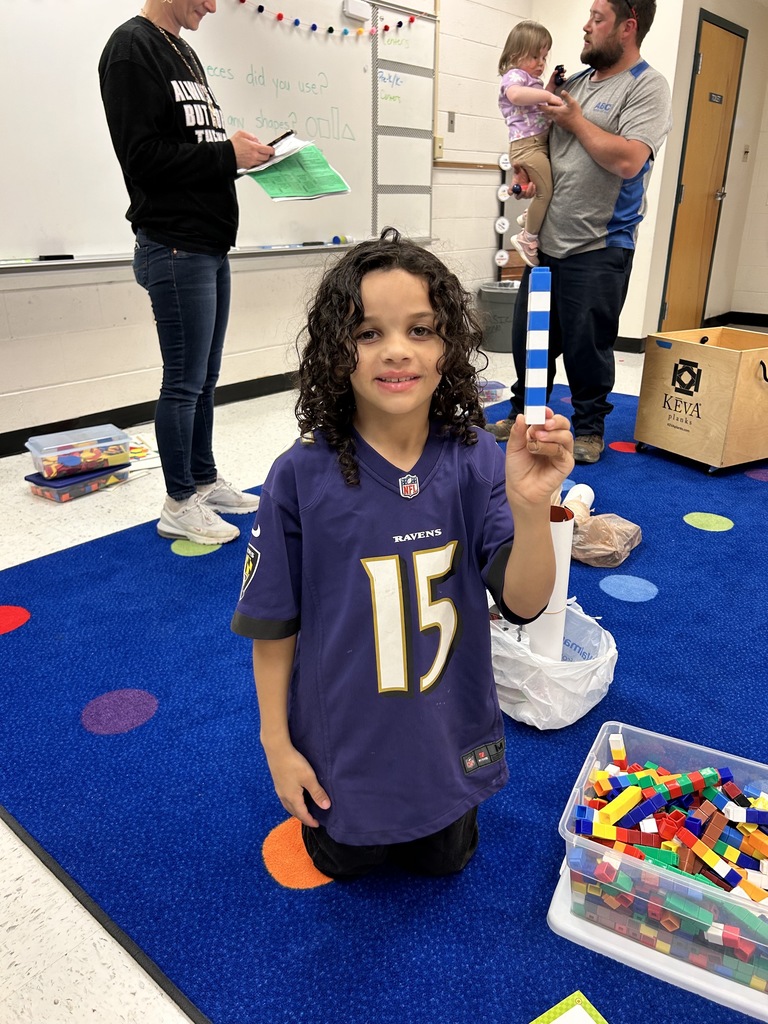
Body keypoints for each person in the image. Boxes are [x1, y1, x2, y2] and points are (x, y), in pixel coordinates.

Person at [230, 229, 574, 880]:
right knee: (346, 862)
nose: (396, 351)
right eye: (368, 333)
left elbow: (525, 602)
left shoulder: (477, 457)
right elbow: (273, 625)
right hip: (346, 747)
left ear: (450, 346)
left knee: (446, 863)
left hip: (451, 740)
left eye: (421, 329)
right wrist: (276, 743)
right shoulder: (298, 477)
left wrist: (531, 509)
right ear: (338, 352)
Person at [99, 0, 274, 545]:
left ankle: (201, 478)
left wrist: (241, 158)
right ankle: (179, 501)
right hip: (174, 246)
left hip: (207, 244)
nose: (214, 6)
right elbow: (143, 158)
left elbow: (191, 153)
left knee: (203, 379)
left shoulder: (184, 51)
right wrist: (227, 156)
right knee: (183, 382)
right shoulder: (131, 49)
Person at [487, 0, 672, 465]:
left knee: (588, 345)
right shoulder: (574, 83)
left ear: (628, 28)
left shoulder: (647, 86)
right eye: (588, 17)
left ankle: (589, 427)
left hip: (599, 242)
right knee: (531, 339)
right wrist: (525, 177)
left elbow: (629, 160)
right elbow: (541, 138)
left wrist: (573, 119)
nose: (586, 28)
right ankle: (523, 412)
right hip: (546, 241)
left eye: (597, 19)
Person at [498, 21, 564, 269]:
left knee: (545, 186)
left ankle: (531, 216)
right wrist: (548, 95)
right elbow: (516, 95)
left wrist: (551, 85)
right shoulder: (514, 76)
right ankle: (527, 238)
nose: (541, 63)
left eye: (544, 57)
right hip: (527, 145)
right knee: (546, 191)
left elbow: (536, 103)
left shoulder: (531, 80)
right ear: (516, 55)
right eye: (535, 56)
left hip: (537, 144)